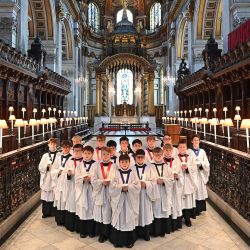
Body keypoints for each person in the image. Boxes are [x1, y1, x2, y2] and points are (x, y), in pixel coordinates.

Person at [109, 154, 141, 248]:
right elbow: (112, 185)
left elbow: (137, 185)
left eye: (126, 162)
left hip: (129, 200)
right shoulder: (115, 172)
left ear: (129, 162)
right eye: (122, 162)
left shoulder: (133, 173)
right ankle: (118, 241)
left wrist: (129, 188)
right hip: (119, 201)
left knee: (129, 219)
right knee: (119, 219)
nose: (124, 164)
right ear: (119, 163)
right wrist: (121, 188)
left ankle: (129, 241)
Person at [92, 147, 117, 243]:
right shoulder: (96, 166)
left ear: (111, 155)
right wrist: (102, 182)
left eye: (107, 154)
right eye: (104, 154)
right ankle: (102, 234)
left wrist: (110, 182)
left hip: (111, 193)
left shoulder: (115, 166)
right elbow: (93, 179)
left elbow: (117, 179)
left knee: (110, 212)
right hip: (101, 191)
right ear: (101, 155)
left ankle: (110, 233)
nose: (106, 156)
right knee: (102, 213)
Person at [133, 149, 158, 241]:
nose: (140, 159)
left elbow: (154, 181)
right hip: (135, 196)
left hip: (145, 195)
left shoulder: (149, 168)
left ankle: (146, 234)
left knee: (145, 214)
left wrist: (146, 184)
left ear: (144, 158)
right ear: (135, 158)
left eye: (142, 157)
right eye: (138, 157)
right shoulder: (131, 168)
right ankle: (135, 235)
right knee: (136, 214)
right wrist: (136, 185)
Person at [150, 147, 174, 236]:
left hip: (164, 192)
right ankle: (156, 231)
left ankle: (163, 230)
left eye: (160, 155)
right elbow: (147, 179)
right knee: (155, 211)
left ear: (162, 154)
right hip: (155, 192)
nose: (158, 156)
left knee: (164, 211)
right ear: (153, 155)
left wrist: (164, 181)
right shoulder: (149, 167)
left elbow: (171, 180)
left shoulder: (167, 167)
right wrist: (155, 181)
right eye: (156, 155)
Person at [75, 145, 96, 238]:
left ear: (92, 154)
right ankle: (83, 231)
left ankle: (91, 231)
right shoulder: (79, 165)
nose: (87, 155)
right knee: (83, 211)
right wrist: (83, 180)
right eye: (85, 153)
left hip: (92, 190)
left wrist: (91, 180)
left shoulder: (96, 164)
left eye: (89, 153)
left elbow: (98, 176)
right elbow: (76, 178)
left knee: (92, 210)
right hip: (82, 190)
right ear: (82, 153)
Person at [176, 140, 198, 227]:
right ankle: (179, 217)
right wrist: (180, 169)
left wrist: (188, 168)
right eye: (180, 147)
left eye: (184, 147)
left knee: (188, 201)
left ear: (186, 148)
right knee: (179, 200)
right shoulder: (175, 158)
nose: (182, 149)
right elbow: (173, 169)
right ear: (177, 149)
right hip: (179, 184)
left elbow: (194, 168)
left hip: (188, 182)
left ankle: (187, 218)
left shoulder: (190, 157)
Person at [63, 144, 84, 232]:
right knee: (72, 204)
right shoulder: (69, 161)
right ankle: (71, 226)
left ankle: (80, 227)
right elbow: (64, 173)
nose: (77, 152)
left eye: (79, 151)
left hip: (82, 187)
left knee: (81, 206)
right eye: (75, 151)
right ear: (73, 151)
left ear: (82, 151)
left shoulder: (85, 161)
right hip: (71, 186)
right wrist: (68, 174)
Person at [163, 144, 184, 231]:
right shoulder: (161, 162)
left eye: (169, 150)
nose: (168, 152)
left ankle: (175, 225)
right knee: (166, 206)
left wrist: (178, 177)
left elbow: (181, 176)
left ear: (172, 151)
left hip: (174, 188)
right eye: (166, 150)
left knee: (174, 205)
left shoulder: (176, 161)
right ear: (163, 151)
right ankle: (166, 227)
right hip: (165, 189)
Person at [39, 138, 60, 218]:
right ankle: (45, 212)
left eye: (54, 144)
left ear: (56, 145)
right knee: (46, 196)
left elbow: (61, 166)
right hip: (47, 178)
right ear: (48, 145)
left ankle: (53, 212)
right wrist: (47, 167)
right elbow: (40, 167)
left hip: (55, 178)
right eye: (51, 144)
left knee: (54, 195)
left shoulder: (59, 155)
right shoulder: (45, 156)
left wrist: (56, 171)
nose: (53, 146)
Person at [188, 135, 210, 215]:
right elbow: (187, 162)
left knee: (200, 191)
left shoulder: (202, 152)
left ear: (199, 141)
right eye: (194, 140)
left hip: (200, 174)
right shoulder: (189, 151)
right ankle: (193, 209)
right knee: (194, 190)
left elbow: (207, 163)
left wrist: (201, 164)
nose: (196, 141)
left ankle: (199, 209)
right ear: (192, 141)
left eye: (197, 140)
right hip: (192, 175)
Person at [53, 140, 72, 225]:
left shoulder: (72, 158)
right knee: (59, 199)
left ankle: (65, 220)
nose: (65, 149)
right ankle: (59, 219)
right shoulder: (58, 157)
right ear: (61, 148)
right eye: (64, 147)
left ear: (70, 148)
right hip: (59, 181)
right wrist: (58, 172)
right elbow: (53, 169)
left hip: (67, 182)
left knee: (66, 199)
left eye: (67, 147)